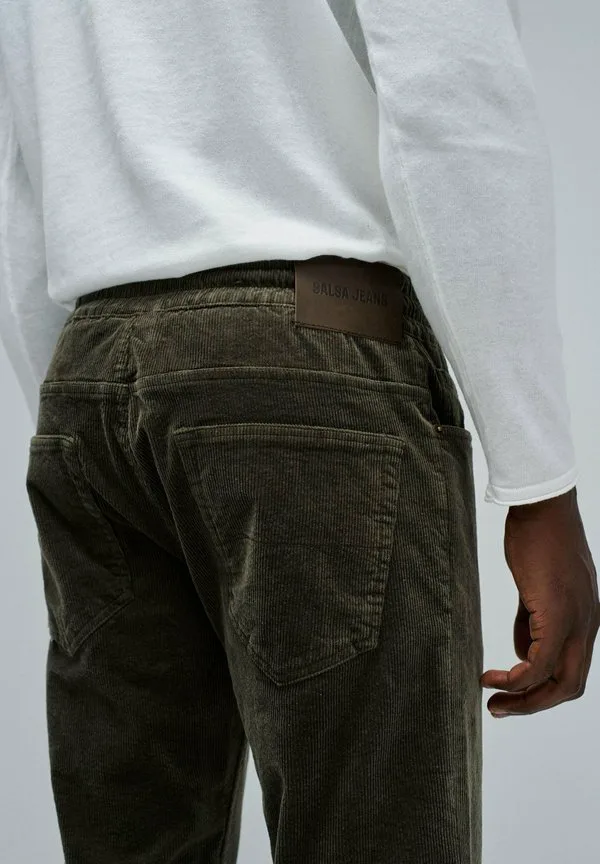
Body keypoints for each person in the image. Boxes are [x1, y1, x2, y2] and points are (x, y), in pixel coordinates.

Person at [1, 1, 598, 862]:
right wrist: (539, 479)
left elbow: (22, 151)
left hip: (89, 370)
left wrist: (69, 410)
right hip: (316, 341)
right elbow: (448, 80)